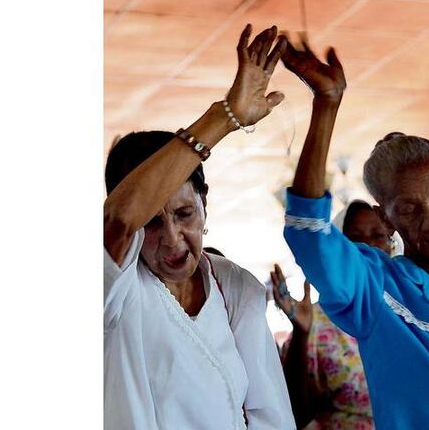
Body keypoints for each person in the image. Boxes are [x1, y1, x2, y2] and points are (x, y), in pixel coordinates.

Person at [103, 24, 295, 430]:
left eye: (185, 215)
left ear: (205, 205)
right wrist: (225, 117)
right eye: (151, 222)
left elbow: (270, 413)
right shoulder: (116, 290)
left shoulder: (235, 286)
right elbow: (119, 218)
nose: (172, 238)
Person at [279, 36, 429, 430]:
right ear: (387, 219)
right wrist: (326, 104)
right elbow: (310, 232)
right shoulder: (378, 289)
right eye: (409, 208)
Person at [271, 200, 394, 430]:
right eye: (355, 238)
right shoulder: (315, 320)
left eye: (378, 235)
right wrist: (301, 332)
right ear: (340, 250)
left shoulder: (409, 314)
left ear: (392, 245)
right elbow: (294, 414)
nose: (367, 246)